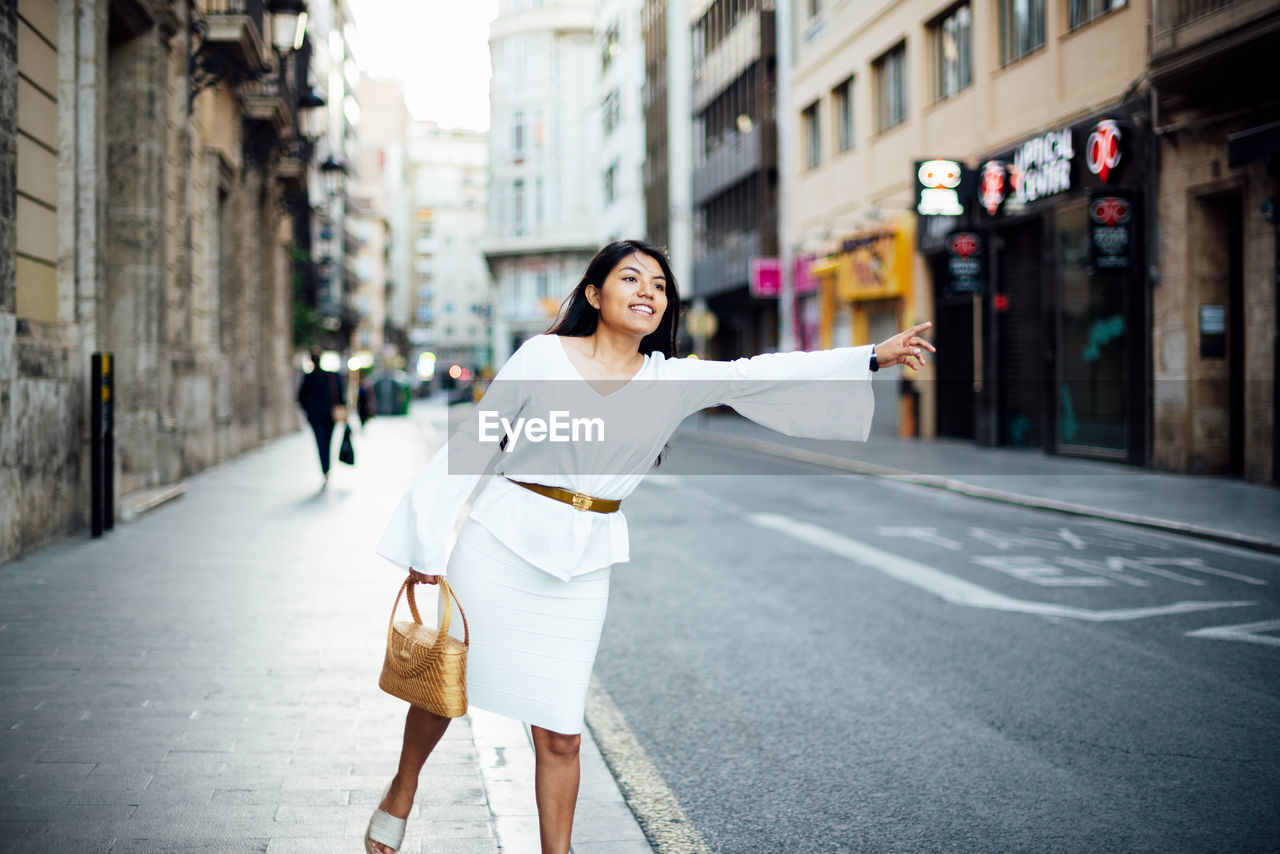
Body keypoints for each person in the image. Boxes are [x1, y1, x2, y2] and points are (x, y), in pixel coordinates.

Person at [365, 240, 934, 854]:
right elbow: (475, 445)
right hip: (500, 543)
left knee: (561, 734)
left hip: (583, 567)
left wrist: (871, 357)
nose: (648, 292)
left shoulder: (672, 379)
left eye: (660, 286)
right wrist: (426, 548)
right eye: (631, 278)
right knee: (447, 687)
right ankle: (403, 786)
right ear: (594, 294)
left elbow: (759, 372)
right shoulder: (543, 355)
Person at [296, 347, 347, 486]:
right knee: (328, 442)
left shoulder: (308, 378)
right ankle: (327, 467)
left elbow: (300, 397)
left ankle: (325, 469)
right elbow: (341, 395)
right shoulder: (331, 376)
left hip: (316, 416)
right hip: (330, 415)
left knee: (321, 442)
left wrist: (309, 409)